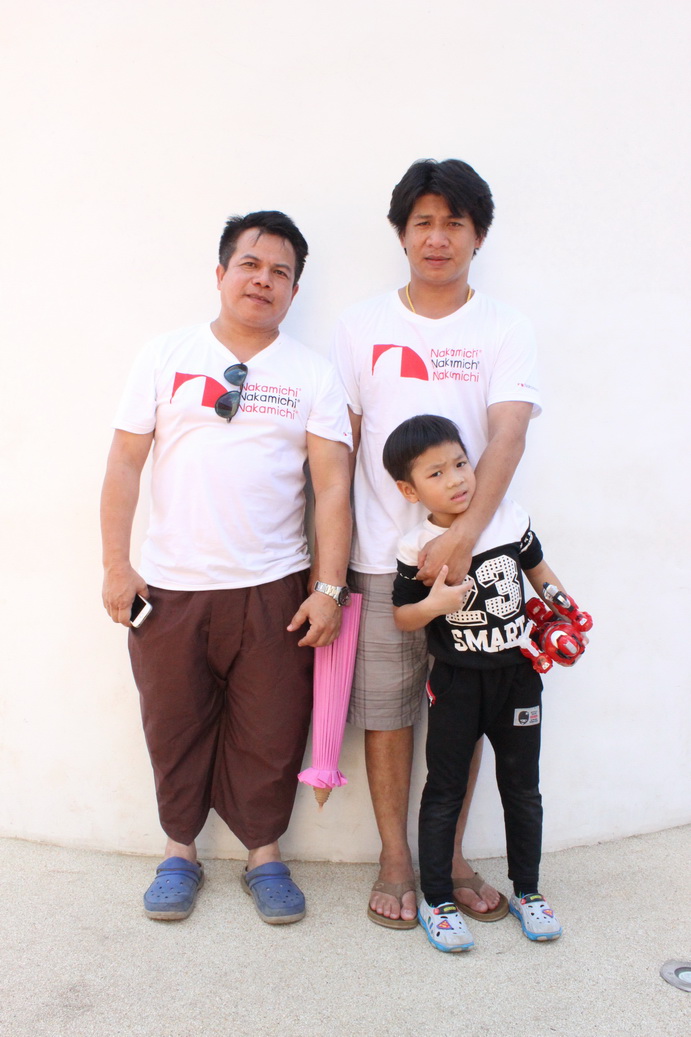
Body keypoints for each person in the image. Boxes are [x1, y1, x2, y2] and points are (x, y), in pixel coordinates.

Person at [101, 210, 352, 925]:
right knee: (173, 724)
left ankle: (263, 856)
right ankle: (179, 853)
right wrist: (116, 566)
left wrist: (329, 588)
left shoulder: (312, 374)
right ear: (220, 273)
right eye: (250, 264)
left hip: (273, 587)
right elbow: (124, 463)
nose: (263, 281)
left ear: (294, 290)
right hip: (170, 587)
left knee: (270, 731)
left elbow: (333, 487)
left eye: (280, 273)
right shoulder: (164, 355)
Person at [331, 158, 542, 927]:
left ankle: (448, 857)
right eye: (422, 221)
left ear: (477, 235)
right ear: (401, 233)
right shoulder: (360, 326)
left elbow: (508, 434)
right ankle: (395, 857)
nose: (437, 237)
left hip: (478, 561)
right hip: (380, 556)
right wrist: (326, 567)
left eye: (454, 222)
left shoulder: (503, 326)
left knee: (467, 708)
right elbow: (338, 451)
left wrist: (465, 537)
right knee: (386, 711)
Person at [384, 413, 565, 951]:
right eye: (436, 473)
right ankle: (437, 901)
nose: (457, 479)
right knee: (444, 790)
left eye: (461, 463)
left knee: (523, 788)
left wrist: (565, 612)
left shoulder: (509, 518)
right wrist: (435, 604)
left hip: (519, 679)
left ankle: (528, 892)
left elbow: (540, 572)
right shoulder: (417, 546)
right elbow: (403, 615)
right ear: (409, 490)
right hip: (457, 685)